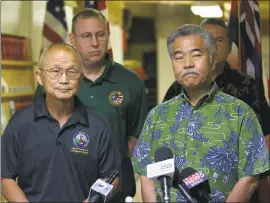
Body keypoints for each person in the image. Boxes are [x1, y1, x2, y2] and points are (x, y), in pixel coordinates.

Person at [131, 24, 269, 203]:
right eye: (178, 57)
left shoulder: (240, 113)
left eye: (196, 55)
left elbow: (250, 178)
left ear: (212, 60)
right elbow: (146, 174)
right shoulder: (157, 116)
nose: (187, 64)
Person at [1, 43, 120, 202]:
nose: (64, 80)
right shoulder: (19, 124)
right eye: (55, 71)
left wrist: (94, 199)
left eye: (72, 72)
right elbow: (5, 177)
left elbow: (111, 177)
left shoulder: (98, 126)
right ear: (39, 76)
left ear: (80, 76)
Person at [35, 8, 148, 160]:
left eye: (100, 35)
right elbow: (38, 131)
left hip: (117, 175)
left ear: (108, 36)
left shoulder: (130, 81)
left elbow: (137, 136)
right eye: (86, 36)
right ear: (72, 39)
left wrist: (110, 164)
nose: (94, 43)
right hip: (66, 176)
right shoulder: (52, 83)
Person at [163, 18, 270, 139]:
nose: (213, 45)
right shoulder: (178, 87)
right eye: (207, 40)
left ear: (229, 47)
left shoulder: (247, 85)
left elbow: (265, 133)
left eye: (219, 40)